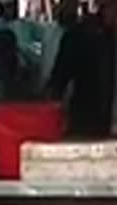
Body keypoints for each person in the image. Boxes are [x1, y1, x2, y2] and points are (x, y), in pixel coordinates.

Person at [48, 2, 112, 137]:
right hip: (87, 112)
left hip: (89, 113)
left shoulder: (78, 35)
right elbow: (60, 75)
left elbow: (60, 76)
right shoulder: (76, 35)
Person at [0, 28, 42, 106]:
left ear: (14, 48)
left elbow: (41, 85)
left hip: (29, 100)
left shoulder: (30, 58)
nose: (3, 57)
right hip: (2, 100)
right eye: (0, 53)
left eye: (6, 52)